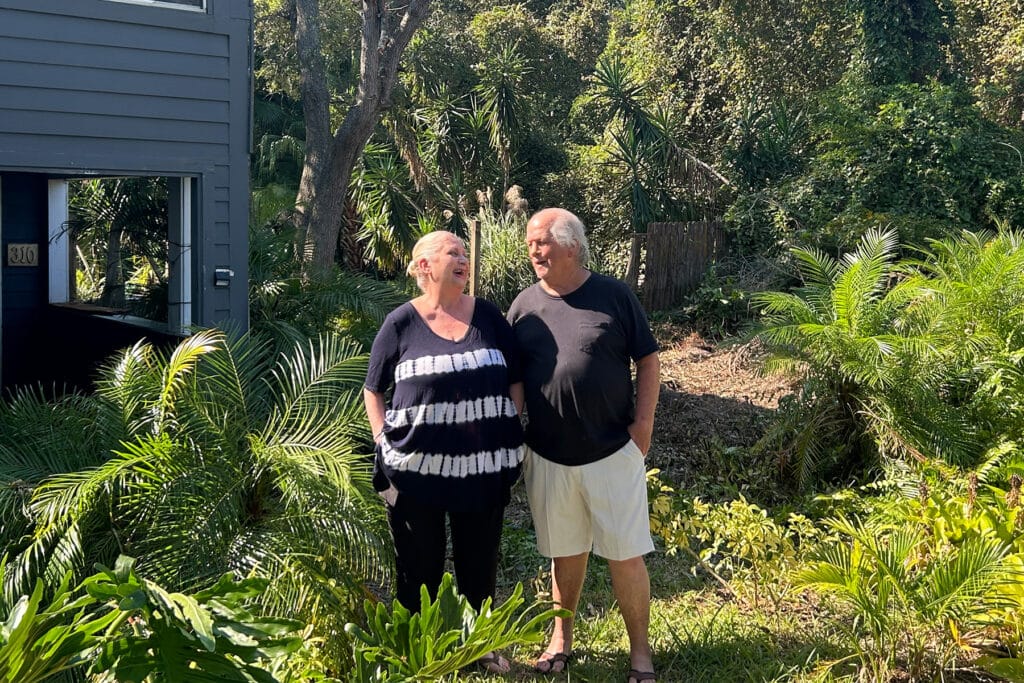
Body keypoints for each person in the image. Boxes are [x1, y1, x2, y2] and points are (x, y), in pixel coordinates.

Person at [507, 208, 660, 683]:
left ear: (571, 245)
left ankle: (640, 654)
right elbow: (514, 378)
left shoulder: (613, 295)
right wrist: (513, 429)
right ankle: (561, 639)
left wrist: (643, 428)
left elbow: (648, 360)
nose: (533, 251)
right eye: (530, 243)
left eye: (542, 242)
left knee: (624, 554)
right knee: (565, 553)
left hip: (613, 450)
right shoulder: (523, 305)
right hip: (548, 455)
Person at [363, 230, 524, 674]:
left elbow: (516, 375)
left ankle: (480, 648)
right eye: (452, 252)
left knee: (480, 563)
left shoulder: (489, 317)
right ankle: (419, 653)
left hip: (483, 467)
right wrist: (382, 440)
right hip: (415, 473)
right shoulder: (400, 322)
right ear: (423, 267)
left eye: (465, 254)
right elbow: (372, 390)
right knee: (418, 568)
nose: (463, 260)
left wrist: (508, 419)